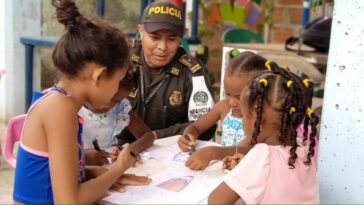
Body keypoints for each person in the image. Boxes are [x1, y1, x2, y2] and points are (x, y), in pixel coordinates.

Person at [13, 1, 150, 204]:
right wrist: (118, 168)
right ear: (100, 76)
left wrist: (98, 173)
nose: (116, 90)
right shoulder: (59, 109)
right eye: (118, 81)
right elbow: (70, 201)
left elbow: (54, 176)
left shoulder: (59, 101)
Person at [208, 69, 320, 204]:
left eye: (244, 115)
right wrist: (248, 165)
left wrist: (251, 165)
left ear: (258, 118)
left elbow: (216, 200)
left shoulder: (263, 155)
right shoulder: (305, 150)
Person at [117, 0, 216, 144]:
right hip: (118, 149)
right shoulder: (121, 60)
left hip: (170, 153)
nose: (162, 47)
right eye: (155, 37)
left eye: (172, 39)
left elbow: (207, 126)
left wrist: (157, 136)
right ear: (141, 30)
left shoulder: (192, 71)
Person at [178, 50, 268, 170]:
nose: (231, 102)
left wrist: (213, 153)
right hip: (223, 170)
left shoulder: (262, 117)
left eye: (238, 97)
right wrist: (188, 137)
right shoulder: (223, 107)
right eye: (227, 94)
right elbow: (195, 127)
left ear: (260, 93)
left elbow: (249, 148)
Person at [79, 67, 155, 166]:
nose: (108, 104)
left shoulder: (119, 107)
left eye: (116, 101)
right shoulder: (72, 108)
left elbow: (148, 136)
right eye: (108, 96)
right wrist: (82, 157)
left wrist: (129, 150)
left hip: (107, 165)